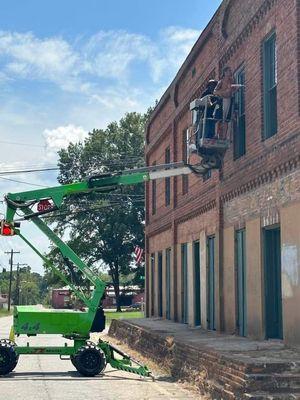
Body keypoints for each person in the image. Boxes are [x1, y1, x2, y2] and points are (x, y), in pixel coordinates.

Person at [213, 67, 241, 139]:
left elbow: (233, 90)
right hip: (221, 100)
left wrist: (236, 89)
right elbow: (215, 91)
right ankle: (216, 134)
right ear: (225, 72)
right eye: (229, 71)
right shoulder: (221, 82)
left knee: (226, 119)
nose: (230, 72)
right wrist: (223, 92)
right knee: (219, 118)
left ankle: (224, 136)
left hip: (229, 100)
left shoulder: (232, 81)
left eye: (230, 71)